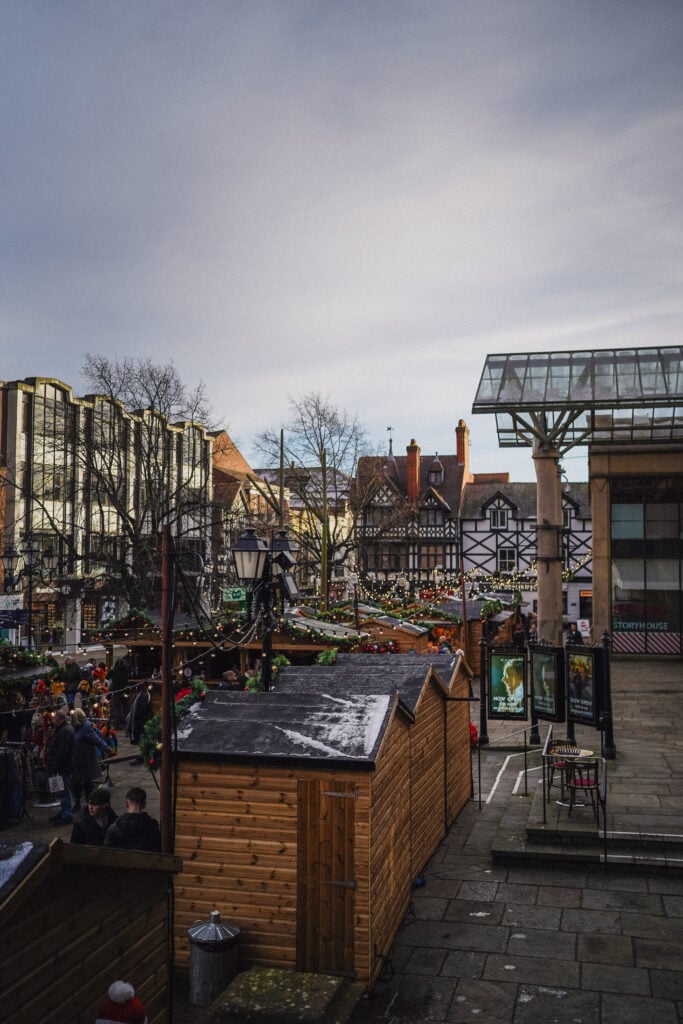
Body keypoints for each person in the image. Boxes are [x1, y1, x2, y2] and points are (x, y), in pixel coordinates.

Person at [70, 707, 112, 811]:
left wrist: (108, 749)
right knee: (76, 782)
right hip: (77, 760)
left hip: (86, 760)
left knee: (87, 782)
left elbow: (97, 740)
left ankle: (89, 804)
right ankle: (78, 802)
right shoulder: (75, 727)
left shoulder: (86, 727)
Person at [103, 786, 161, 852]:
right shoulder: (153, 826)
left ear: (126, 803)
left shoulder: (114, 828)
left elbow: (106, 851)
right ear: (144, 804)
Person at [46, 707, 75, 824]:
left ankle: (67, 814)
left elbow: (63, 751)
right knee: (61, 790)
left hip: (63, 767)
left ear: (59, 720)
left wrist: (56, 765)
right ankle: (64, 811)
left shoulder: (65, 731)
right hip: (62, 766)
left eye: (54, 719)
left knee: (64, 791)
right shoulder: (63, 729)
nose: (52, 721)